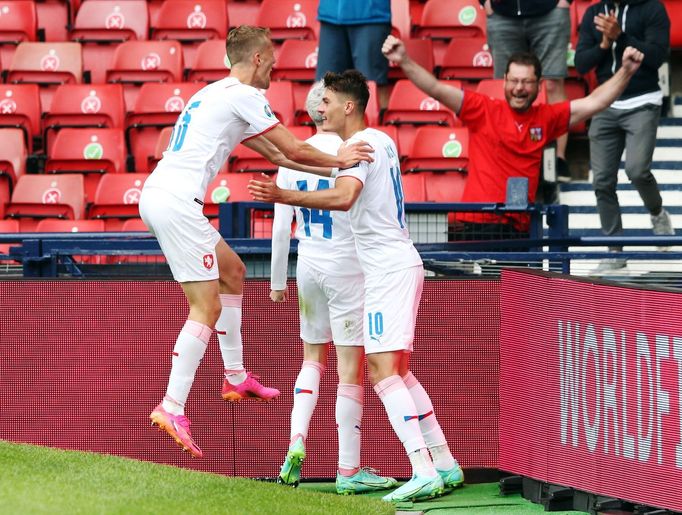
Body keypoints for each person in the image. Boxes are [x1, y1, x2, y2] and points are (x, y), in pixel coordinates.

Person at [139, 25, 374, 459]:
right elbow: (296, 150)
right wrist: (341, 159)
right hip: (176, 201)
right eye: (273, 58)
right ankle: (172, 405)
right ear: (259, 58)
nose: (276, 67)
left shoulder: (214, 94)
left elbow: (280, 157)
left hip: (161, 195)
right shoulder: (245, 96)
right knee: (205, 307)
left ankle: (234, 375)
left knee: (232, 271)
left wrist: (337, 172)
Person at [249, 69, 464, 503]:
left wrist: (282, 196)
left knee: (381, 370)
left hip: (384, 270)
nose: (319, 107)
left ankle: (422, 469)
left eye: (326, 100)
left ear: (348, 105)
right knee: (398, 370)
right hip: (389, 265)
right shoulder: (379, 140)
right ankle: (444, 461)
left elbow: (343, 197)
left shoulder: (361, 146)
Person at [381, 35, 647, 239]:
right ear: (505, 80)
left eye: (527, 82)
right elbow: (437, 89)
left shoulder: (546, 117)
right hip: (471, 224)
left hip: (519, 227)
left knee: (515, 308)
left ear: (538, 84)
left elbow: (594, 103)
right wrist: (404, 60)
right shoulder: (482, 109)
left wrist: (626, 71)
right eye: (514, 81)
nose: (519, 88)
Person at [272, 82, 397, 495]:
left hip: (307, 264)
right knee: (350, 369)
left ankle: (295, 441)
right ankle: (348, 469)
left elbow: (279, 228)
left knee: (311, 358)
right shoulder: (350, 150)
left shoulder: (295, 155)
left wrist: (277, 282)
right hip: (346, 265)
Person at [575, 0, 674, 273]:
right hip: (604, 103)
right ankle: (615, 249)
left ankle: (657, 213)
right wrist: (605, 45)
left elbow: (657, 56)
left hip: (643, 101)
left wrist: (622, 36)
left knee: (637, 170)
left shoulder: (652, 8)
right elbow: (581, 63)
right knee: (603, 181)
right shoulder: (594, 12)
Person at [483, 0, 572, 182]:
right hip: (502, 13)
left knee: (553, 83)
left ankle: (558, 159)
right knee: (508, 85)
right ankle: (508, 155)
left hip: (550, 10)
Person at [316, 0, 391, 109]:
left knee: (372, 88)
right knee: (325, 88)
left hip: (371, 14)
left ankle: (380, 124)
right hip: (330, 12)